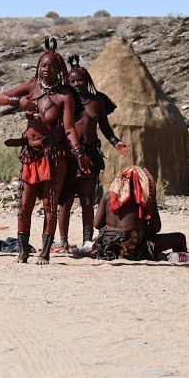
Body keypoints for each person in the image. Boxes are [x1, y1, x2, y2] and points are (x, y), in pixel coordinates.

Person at [0, 38, 92, 264]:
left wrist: (79, 154)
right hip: (30, 155)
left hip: (53, 156)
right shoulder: (31, 87)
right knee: (24, 205)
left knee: (49, 204)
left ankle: (45, 252)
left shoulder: (65, 95)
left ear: (60, 71)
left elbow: (68, 128)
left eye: (51, 66)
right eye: (43, 65)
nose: (46, 69)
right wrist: (17, 101)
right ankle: (22, 252)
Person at [56, 55, 131, 253]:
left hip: (90, 155)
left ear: (87, 80)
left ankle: (86, 243)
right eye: (72, 81)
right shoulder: (65, 101)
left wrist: (116, 142)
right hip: (69, 156)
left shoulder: (97, 102)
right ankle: (63, 242)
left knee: (88, 201)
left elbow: (105, 128)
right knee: (65, 200)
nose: (76, 84)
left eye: (79, 80)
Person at [88, 165, 189, 261]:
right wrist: (138, 230)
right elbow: (156, 227)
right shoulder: (145, 198)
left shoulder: (108, 196)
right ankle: (181, 257)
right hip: (133, 247)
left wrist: (113, 228)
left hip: (106, 244)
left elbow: (97, 224)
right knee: (179, 238)